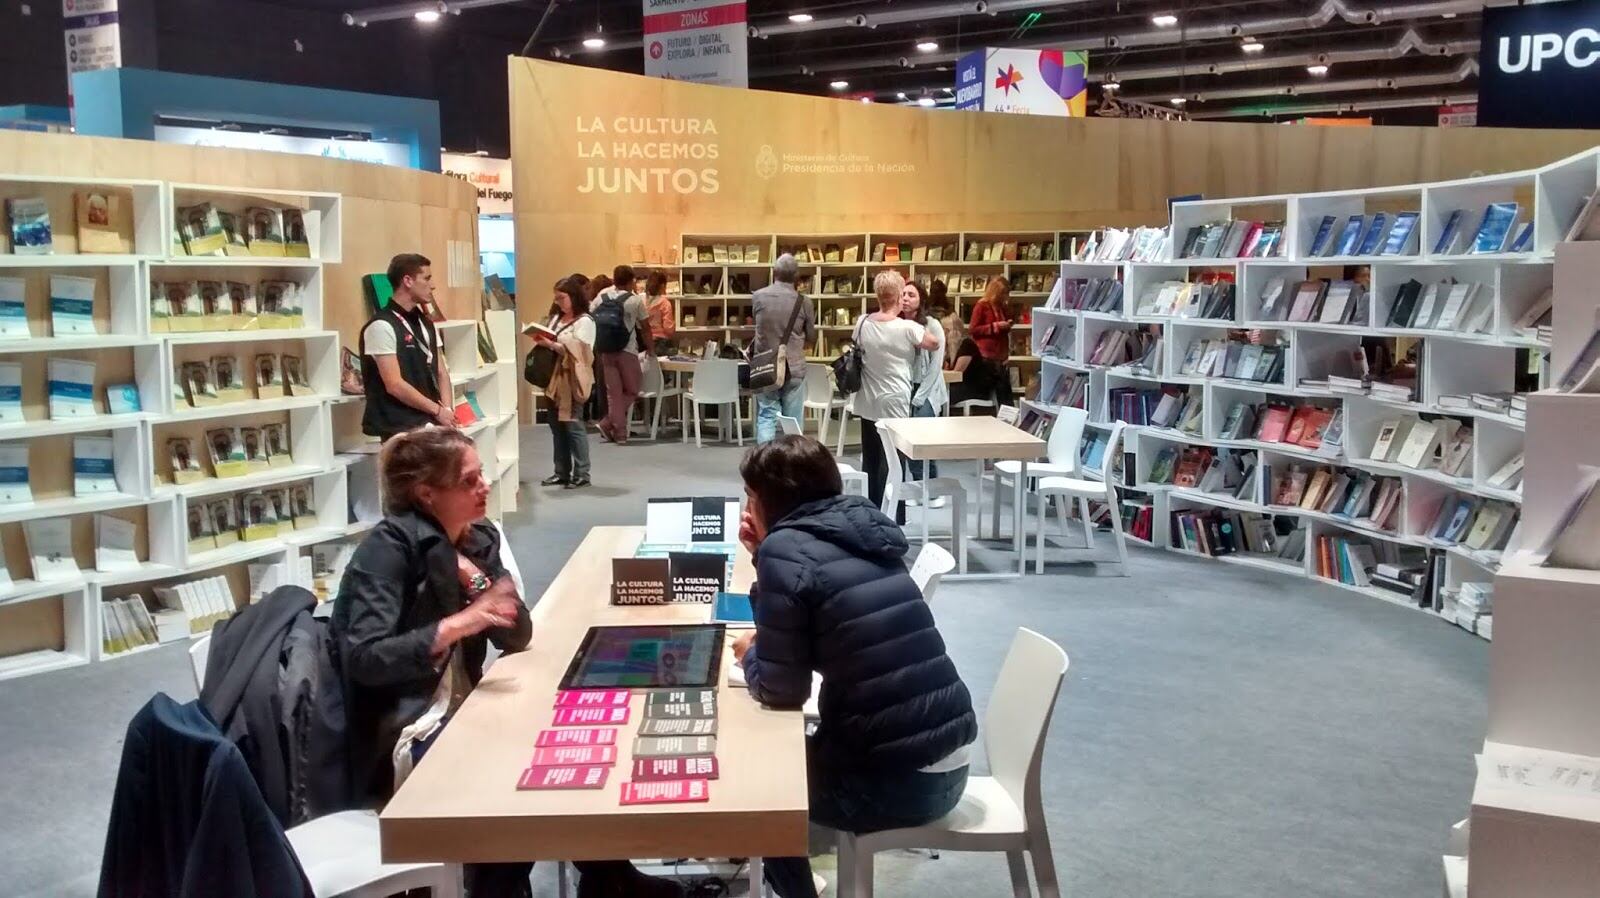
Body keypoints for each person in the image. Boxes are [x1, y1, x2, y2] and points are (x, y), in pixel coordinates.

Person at [331, 428, 681, 898]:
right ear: (426, 493)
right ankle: (508, 885)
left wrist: (474, 579)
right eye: (469, 480)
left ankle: (606, 874)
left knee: (570, 739)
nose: (484, 486)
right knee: (513, 779)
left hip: (458, 704)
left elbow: (518, 635)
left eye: (482, 475)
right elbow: (364, 659)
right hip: (403, 724)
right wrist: (458, 624)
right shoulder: (388, 549)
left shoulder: (477, 539)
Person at [732, 435, 977, 898]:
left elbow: (781, 688)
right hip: (948, 764)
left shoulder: (787, 548)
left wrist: (750, 656)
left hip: (898, 786)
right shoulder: (860, 527)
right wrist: (762, 558)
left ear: (768, 498)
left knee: (754, 782)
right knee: (779, 759)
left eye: (750, 495)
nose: (747, 505)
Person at [847, 270, 939, 513]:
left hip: (867, 399)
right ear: (899, 296)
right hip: (896, 401)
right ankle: (892, 513)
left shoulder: (862, 322)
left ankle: (871, 508)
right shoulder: (907, 327)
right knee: (893, 462)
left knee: (871, 458)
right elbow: (934, 343)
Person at [360, 253, 453, 442]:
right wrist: (437, 410)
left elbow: (441, 372)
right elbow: (394, 384)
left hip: (430, 420)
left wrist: (448, 410)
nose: (433, 285)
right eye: (426, 278)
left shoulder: (426, 323)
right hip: (399, 426)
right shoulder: (381, 325)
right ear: (408, 281)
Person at [530, 276, 595, 489]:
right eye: (556, 299)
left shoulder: (585, 321)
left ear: (574, 296)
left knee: (573, 424)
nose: (558, 302)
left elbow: (582, 352)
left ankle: (582, 473)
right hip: (553, 378)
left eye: (562, 298)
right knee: (556, 426)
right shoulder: (556, 319)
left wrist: (552, 344)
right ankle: (561, 471)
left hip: (572, 378)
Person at [751, 253, 816, 444]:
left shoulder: (758, 297)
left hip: (766, 367)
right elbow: (811, 337)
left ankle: (764, 464)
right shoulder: (804, 302)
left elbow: (759, 326)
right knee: (793, 422)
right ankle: (793, 463)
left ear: (774, 272)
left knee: (766, 417)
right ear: (796, 276)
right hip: (794, 366)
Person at [592, 266, 651, 444]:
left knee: (613, 393)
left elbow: (591, 314)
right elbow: (645, 327)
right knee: (633, 389)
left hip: (605, 350)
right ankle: (609, 423)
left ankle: (619, 433)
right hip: (627, 350)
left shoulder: (602, 296)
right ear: (631, 280)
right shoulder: (635, 301)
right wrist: (651, 349)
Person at [901, 281, 947, 486]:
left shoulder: (932, 325)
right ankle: (917, 485)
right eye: (903, 294)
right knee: (907, 438)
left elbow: (935, 366)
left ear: (921, 300)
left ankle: (931, 485)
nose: (905, 299)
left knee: (922, 434)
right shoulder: (899, 324)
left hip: (928, 389)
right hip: (906, 387)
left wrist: (920, 397)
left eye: (911, 295)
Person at [967, 275, 1016, 407]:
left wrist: (1007, 324)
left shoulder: (1002, 308)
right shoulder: (982, 306)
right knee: (1001, 388)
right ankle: (1002, 416)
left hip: (1001, 356)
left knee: (1005, 391)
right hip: (986, 357)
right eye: (1003, 293)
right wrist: (995, 327)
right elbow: (973, 329)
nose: (1006, 296)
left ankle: (1008, 418)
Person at [644, 270, 677, 356]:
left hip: (644, 342)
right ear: (662, 286)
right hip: (660, 342)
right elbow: (668, 329)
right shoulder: (664, 303)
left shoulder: (641, 301)